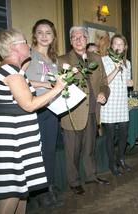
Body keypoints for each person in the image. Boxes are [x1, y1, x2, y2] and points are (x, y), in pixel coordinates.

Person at [0, 29, 65, 214]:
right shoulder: (12, 72)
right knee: (12, 192)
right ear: (15, 48)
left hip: (19, 139)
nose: (29, 45)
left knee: (22, 192)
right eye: (25, 42)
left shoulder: (12, 70)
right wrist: (58, 87)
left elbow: (23, 89)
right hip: (13, 142)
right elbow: (29, 104)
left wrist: (44, 85)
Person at [58, 26, 110, 195]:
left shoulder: (96, 58)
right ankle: (73, 182)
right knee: (72, 152)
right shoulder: (62, 60)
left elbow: (104, 82)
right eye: (74, 37)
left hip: (93, 112)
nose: (78, 40)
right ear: (70, 40)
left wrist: (103, 93)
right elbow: (58, 87)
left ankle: (91, 176)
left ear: (87, 39)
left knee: (90, 149)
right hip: (73, 114)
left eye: (81, 37)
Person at [25, 19, 62, 207]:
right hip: (36, 109)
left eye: (48, 32)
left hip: (52, 109)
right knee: (37, 152)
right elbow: (22, 81)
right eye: (40, 32)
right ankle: (40, 193)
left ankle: (49, 185)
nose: (44, 36)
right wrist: (46, 85)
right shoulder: (28, 56)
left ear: (53, 36)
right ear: (34, 35)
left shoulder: (53, 59)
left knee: (49, 150)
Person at [100, 34, 133, 176]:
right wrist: (115, 68)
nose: (118, 46)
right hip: (109, 103)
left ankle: (121, 159)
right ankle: (111, 164)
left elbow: (125, 81)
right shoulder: (104, 61)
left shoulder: (128, 63)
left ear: (125, 47)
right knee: (110, 136)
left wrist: (129, 83)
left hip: (122, 102)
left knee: (124, 133)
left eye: (121, 44)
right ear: (111, 46)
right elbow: (104, 82)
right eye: (115, 44)